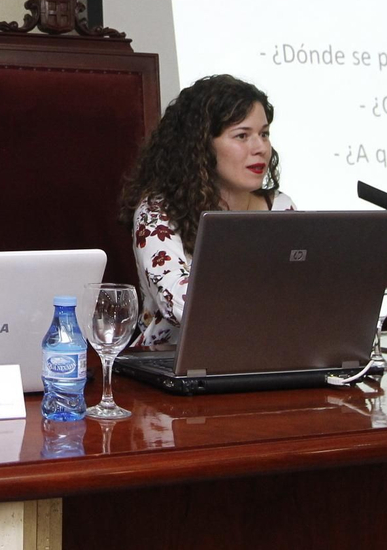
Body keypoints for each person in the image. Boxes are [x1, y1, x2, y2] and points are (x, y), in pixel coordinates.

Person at [120, 74, 294, 349]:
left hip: (266, 358)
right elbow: (180, 304)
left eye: (264, 134)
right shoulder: (157, 212)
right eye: (242, 136)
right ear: (201, 145)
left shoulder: (281, 206)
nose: (260, 148)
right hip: (171, 367)